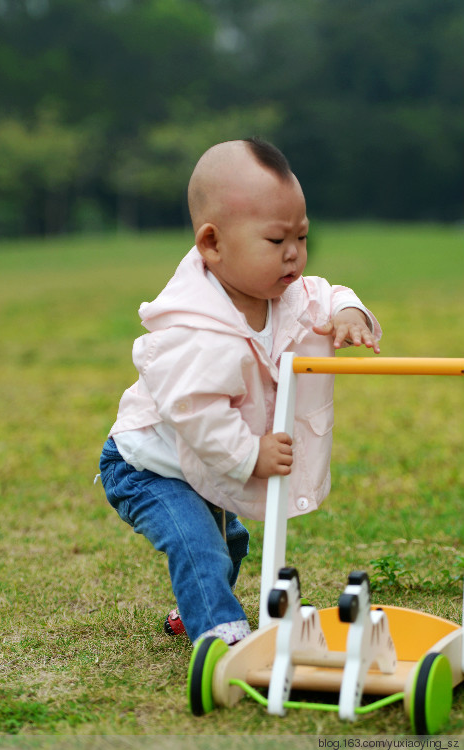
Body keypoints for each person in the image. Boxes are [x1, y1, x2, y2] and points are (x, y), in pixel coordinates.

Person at [98, 137, 382, 647]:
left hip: (199, 461)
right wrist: (251, 453)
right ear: (212, 244)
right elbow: (196, 413)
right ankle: (220, 639)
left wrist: (348, 312)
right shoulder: (195, 330)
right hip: (148, 466)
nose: (294, 253)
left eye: (301, 236)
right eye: (276, 241)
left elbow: (329, 292)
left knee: (230, 542)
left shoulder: (284, 294)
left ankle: (194, 606)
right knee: (200, 543)